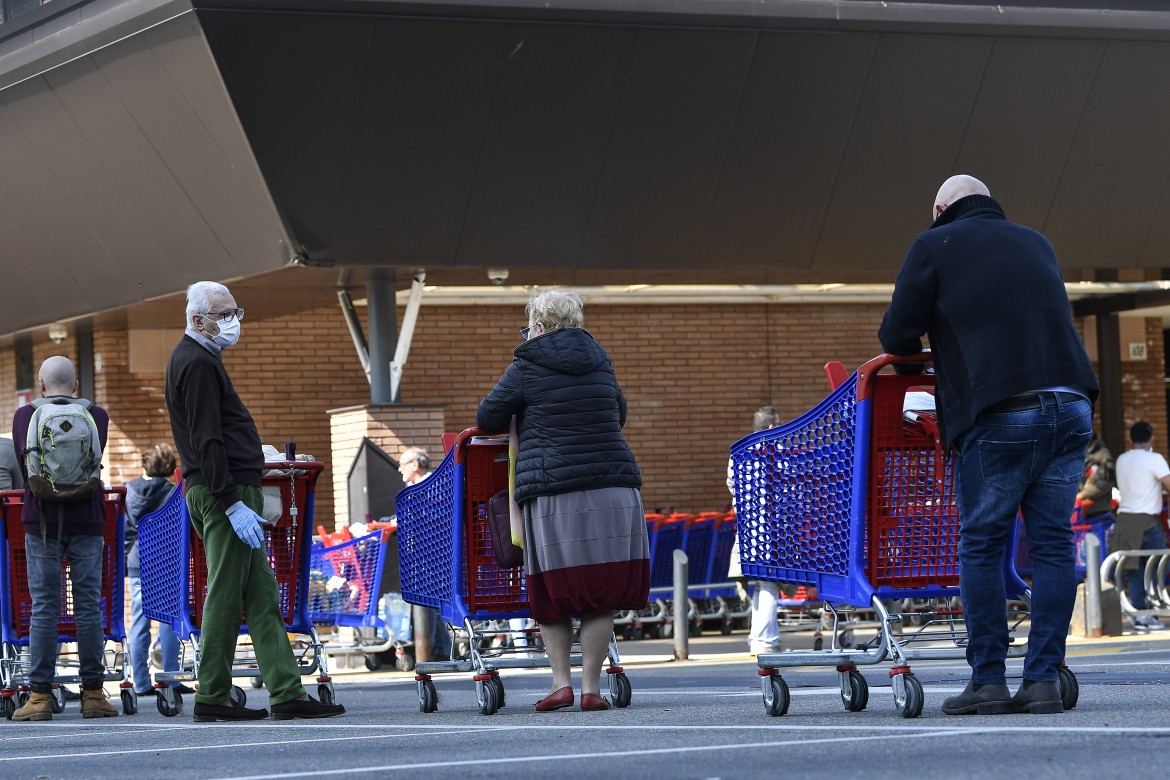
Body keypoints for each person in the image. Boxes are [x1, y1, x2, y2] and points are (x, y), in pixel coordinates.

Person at [879, 174, 1098, 716]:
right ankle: (1044, 678)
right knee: (1051, 545)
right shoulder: (1036, 240)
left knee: (980, 543)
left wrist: (914, 364)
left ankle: (988, 681)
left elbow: (897, 332)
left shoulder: (934, 244)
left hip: (1003, 407)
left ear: (940, 209)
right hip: (1071, 404)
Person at [165, 280, 344, 722]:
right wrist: (230, 502)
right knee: (226, 595)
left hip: (227, 488)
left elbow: (211, 434)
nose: (232, 322)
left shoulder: (198, 358)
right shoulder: (198, 363)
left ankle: (286, 692)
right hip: (222, 492)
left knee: (262, 594)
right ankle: (212, 695)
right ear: (197, 319)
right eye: (223, 315)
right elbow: (206, 439)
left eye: (234, 313)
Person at [477, 288, 649, 712]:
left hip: (554, 489)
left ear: (536, 323)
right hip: (613, 486)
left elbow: (487, 417)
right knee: (601, 589)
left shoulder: (526, 364)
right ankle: (592, 689)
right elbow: (619, 413)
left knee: (554, 587)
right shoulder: (600, 358)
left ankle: (561, 685)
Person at [11, 356, 118, 720]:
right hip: (88, 519)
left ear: (41, 385)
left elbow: (27, 473)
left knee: (44, 606)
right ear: (76, 386)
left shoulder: (25, 416)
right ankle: (93, 695)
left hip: (40, 521)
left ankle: (39, 698)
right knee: (88, 606)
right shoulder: (97, 416)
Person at [124, 443, 190, 697]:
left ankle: (140, 682)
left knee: (139, 621)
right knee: (168, 619)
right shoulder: (172, 492)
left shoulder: (129, 490)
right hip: (164, 561)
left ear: (144, 464)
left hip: (137, 560)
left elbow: (126, 530)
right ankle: (171, 679)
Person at [726, 405, 783, 655]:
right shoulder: (778, 452)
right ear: (771, 427)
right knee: (769, 583)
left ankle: (757, 637)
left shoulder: (739, 452)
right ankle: (765, 640)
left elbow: (731, 484)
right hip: (772, 527)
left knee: (760, 583)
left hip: (748, 527)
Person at [1111, 421, 1169, 631]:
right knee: (1160, 564)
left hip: (1125, 520)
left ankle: (1139, 613)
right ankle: (1150, 611)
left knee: (1136, 568)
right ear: (1152, 439)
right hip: (1147, 521)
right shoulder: (1155, 458)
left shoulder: (1122, 459)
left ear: (1130, 440)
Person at [399, 446, 451, 660]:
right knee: (429, 599)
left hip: (434, 552)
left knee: (429, 598)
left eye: (402, 464)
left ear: (414, 464)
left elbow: (433, 514)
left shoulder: (432, 486)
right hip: (425, 552)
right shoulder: (416, 487)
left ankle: (438, 648)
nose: (399, 469)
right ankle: (440, 647)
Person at [1077, 433, 1116, 524]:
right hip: (1078, 511)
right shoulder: (1074, 453)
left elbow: (1106, 482)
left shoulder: (1102, 454)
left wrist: (1081, 495)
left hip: (1099, 511)